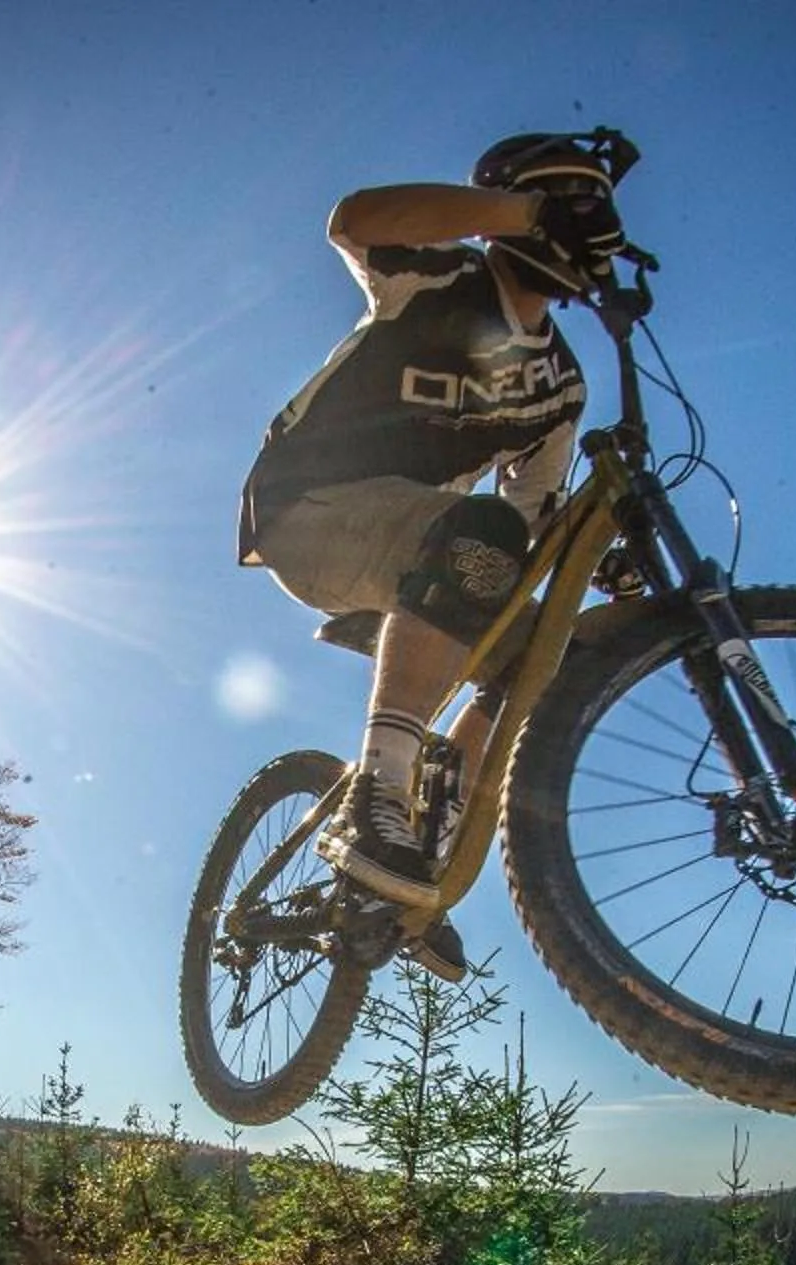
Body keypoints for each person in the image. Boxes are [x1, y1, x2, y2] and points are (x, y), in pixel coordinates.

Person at [238, 132, 630, 976]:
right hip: (310, 510)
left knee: (537, 657)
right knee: (476, 533)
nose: (580, 226)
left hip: (423, 544)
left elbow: (528, 521)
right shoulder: (438, 279)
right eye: (565, 204)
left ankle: (414, 860)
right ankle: (381, 789)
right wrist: (519, 213)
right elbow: (356, 221)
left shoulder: (559, 386)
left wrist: (605, 570)